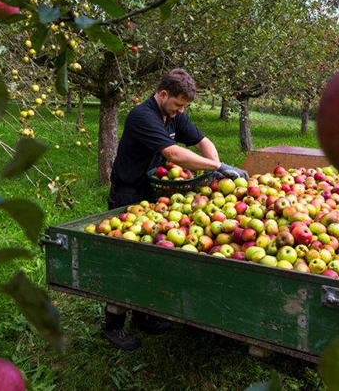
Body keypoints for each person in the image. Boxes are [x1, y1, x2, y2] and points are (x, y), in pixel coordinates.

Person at [102, 68, 248, 350]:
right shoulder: (142, 116)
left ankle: (144, 317)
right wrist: (218, 167)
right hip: (129, 192)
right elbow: (174, 154)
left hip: (154, 192)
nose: (181, 111)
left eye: (184, 106)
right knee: (126, 258)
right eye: (178, 104)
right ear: (164, 94)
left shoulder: (173, 115)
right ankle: (113, 325)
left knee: (152, 258)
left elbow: (202, 141)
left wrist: (213, 170)